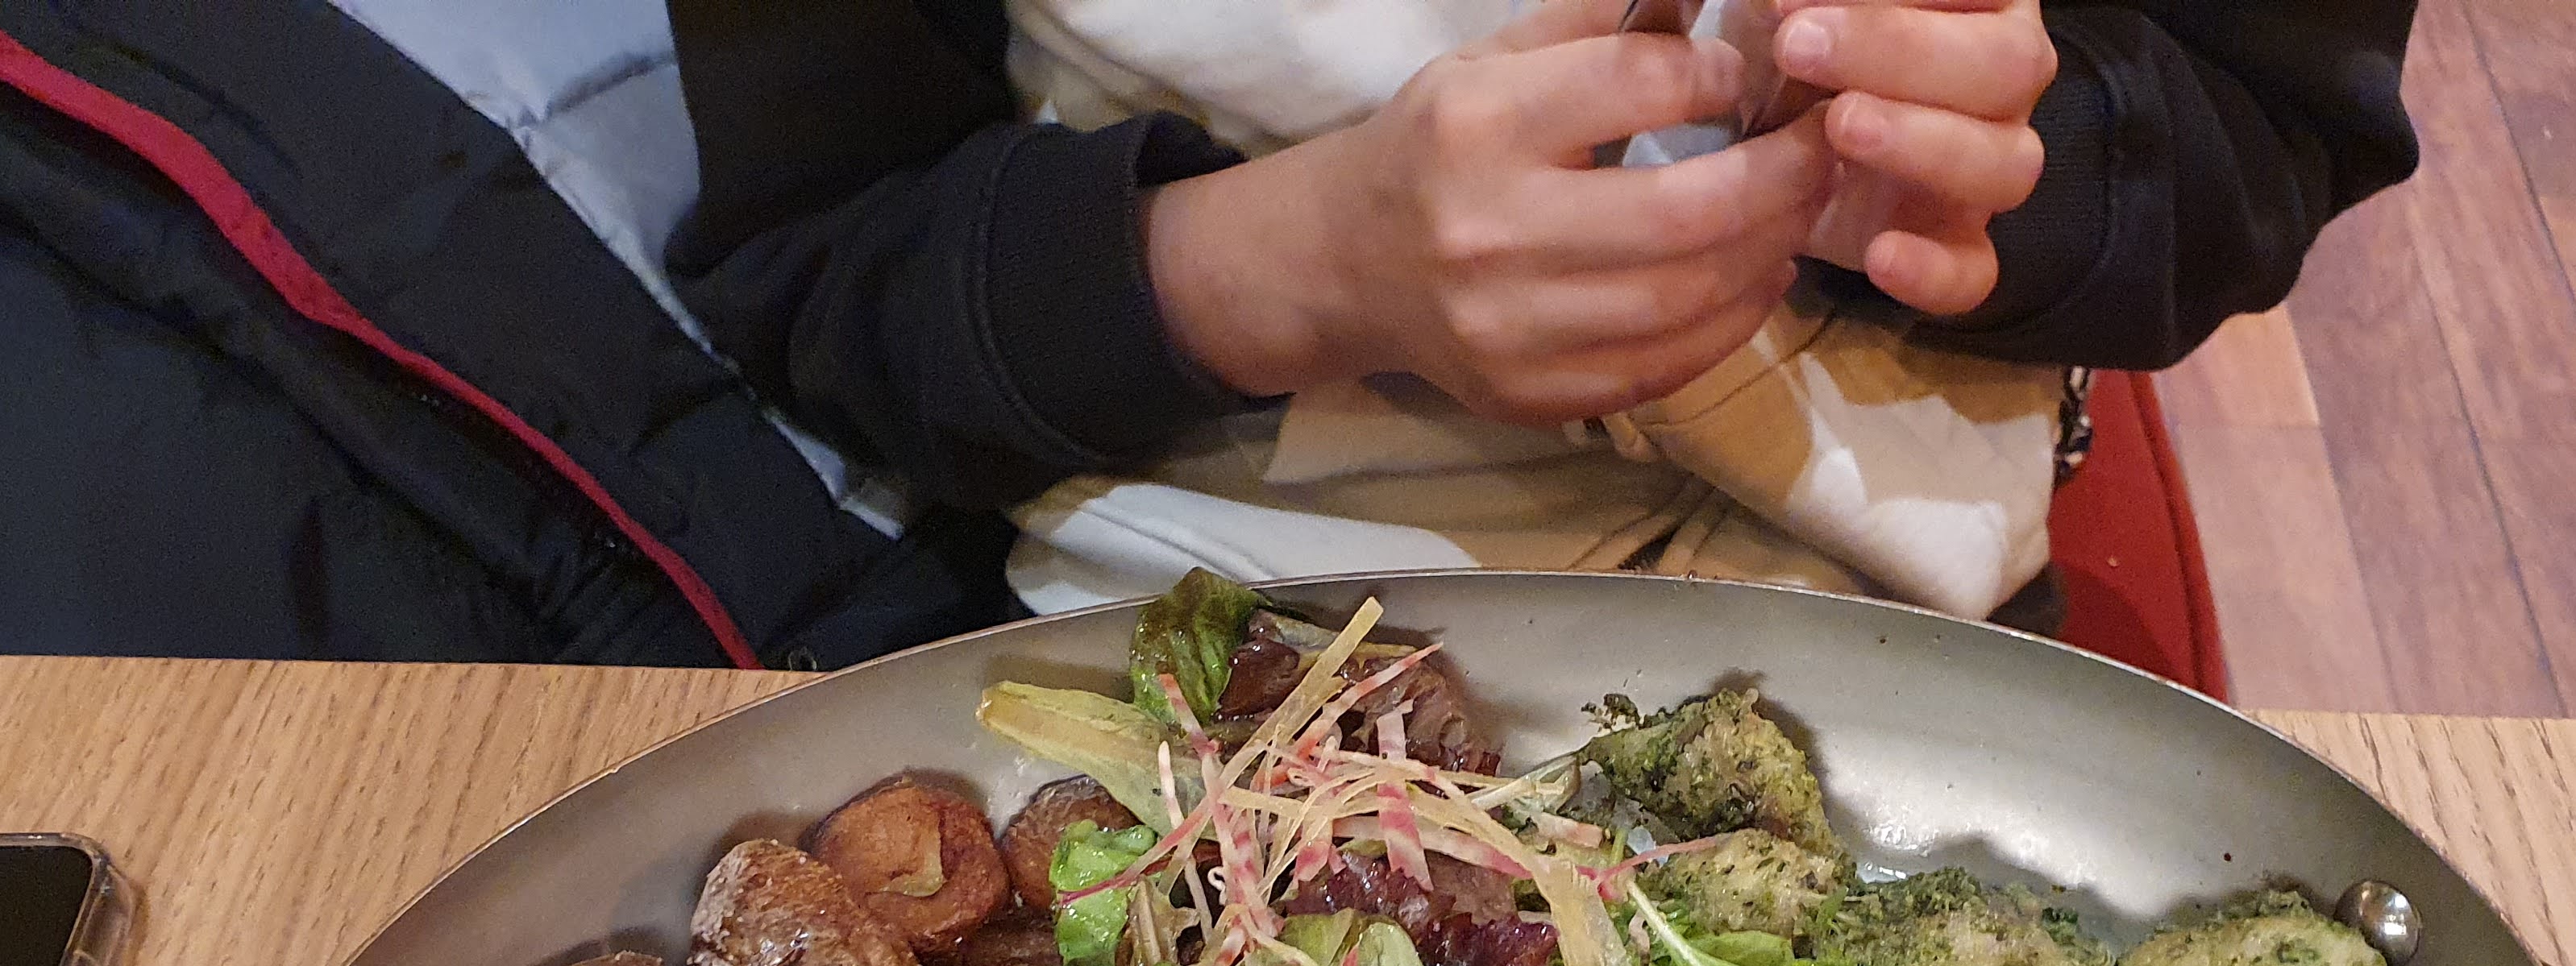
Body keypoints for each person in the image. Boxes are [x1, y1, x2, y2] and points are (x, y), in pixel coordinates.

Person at [664, 0, 2416, 624]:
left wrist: (2006, 159)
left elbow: (2269, 122)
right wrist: (1302, 269)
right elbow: (822, 265)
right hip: (1198, 649)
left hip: (1906, 625)